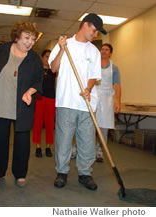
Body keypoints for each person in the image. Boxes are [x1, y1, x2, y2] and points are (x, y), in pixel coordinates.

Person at [48, 13, 106, 191]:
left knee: (87, 140)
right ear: (86, 25)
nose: (95, 35)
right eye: (94, 30)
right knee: (64, 140)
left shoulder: (94, 51)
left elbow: (94, 77)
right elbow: (53, 67)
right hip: (66, 101)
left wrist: (88, 89)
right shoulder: (65, 44)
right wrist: (61, 49)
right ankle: (62, 172)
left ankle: (85, 173)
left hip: (87, 103)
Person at [0, 20, 43, 187]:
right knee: (0, 141)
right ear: (17, 36)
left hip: (22, 107)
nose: (29, 42)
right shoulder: (2, 49)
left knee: (22, 143)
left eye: (33, 39)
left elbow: (38, 81)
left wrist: (30, 92)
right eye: (26, 37)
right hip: (1, 104)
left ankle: (20, 175)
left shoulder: (34, 59)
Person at [95, 43, 121, 162]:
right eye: (102, 49)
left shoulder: (114, 68)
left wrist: (118, 102)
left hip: (107, 100)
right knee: (88, 127)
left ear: (110, 53)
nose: (104, 51)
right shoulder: (94, 65)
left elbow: (117, 85)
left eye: (107, 50)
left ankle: (100, 152)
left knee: (104, 128)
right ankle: (79, 150)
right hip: (94, 98)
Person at [32, 49, 56, 158]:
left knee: (50, 124)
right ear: (42, 58)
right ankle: (38, 147)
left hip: (51, 99)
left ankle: (48, 147)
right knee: (37, 123)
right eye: (46, 56)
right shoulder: (37, 70)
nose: (48, 59)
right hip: (39, 98)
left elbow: (56, 86)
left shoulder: (54, 71)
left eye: (50, 57)